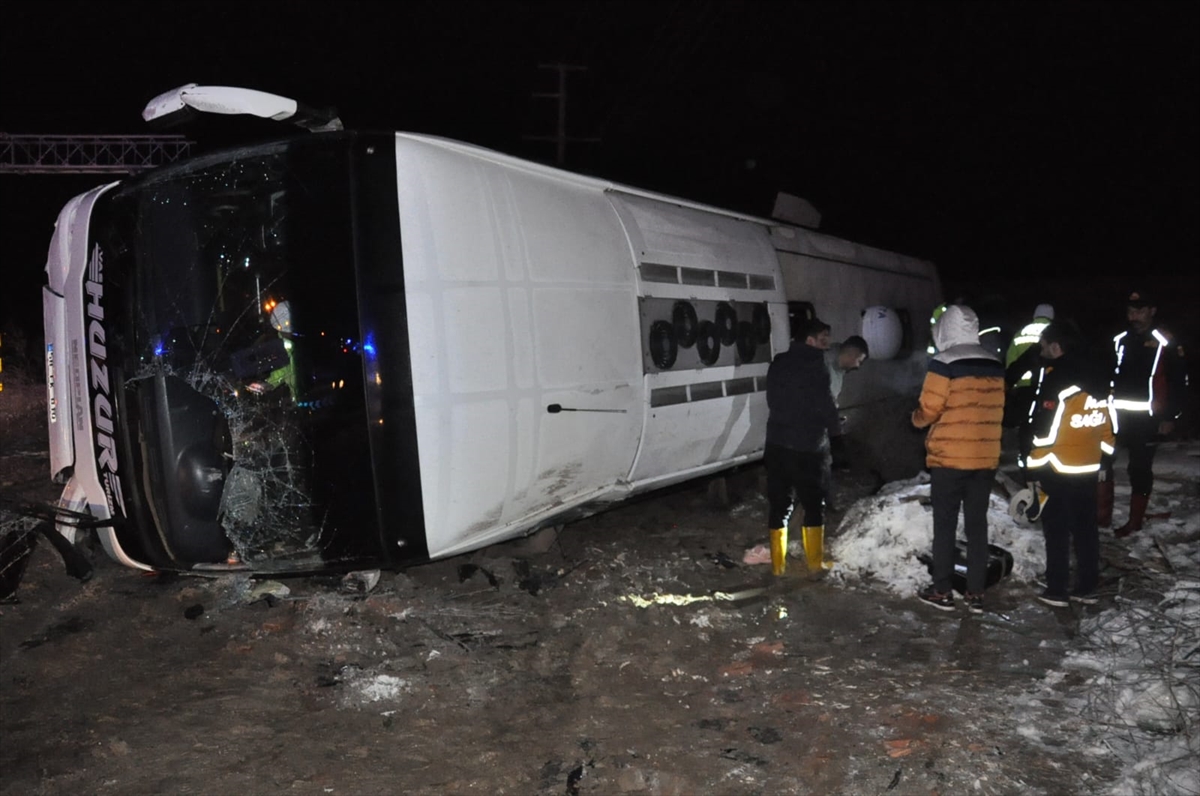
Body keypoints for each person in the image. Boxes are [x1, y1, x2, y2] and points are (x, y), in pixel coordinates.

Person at [911, 305, 1005, 613]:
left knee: (945, 525)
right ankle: (976, 594)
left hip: (950, 459)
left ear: (944, 330)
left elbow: (929, 409)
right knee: (977, 525)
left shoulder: (945, 362)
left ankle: (943, 591)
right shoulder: (994, 363)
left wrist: (915, 419)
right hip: (985, 459)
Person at [1025, 321, 1115, 607]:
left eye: (1043, 346)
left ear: (1056, 346)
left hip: (1057, 466)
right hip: (1087, 467)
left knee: (1057, 530)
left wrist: (1032, 465)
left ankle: (1057, 589)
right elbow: (1108, 428)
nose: (1041, 351)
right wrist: (1103, 461)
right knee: (1086, 530)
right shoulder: (1099, 378)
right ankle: (1087, 587)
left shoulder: (1058, 379)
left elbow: (1044, 432)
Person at [1103, 290, 1188, 537]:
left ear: (1152, 311)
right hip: (1116, 417)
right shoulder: (1120, 339)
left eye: (1140, 310)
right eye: (1131, 311)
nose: (1134, 316)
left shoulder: (1166, 342)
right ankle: (1101, 515)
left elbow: (1178, 381)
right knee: (1102, 463)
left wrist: (1170, 417)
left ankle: (1135, 520)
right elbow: (1108, 374)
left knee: (1139, 469)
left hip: (1148, 420)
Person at [764, 318, 841, 575]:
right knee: (812, 504)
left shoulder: (778, 362)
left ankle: (778, 567)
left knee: (779, 504)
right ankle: (814, 564)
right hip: (807, 446)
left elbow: (772, 399)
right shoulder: (816, 364)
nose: (826, 345)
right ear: (809, 340)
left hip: (776, 443)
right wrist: (837, 435)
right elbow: (826, 404)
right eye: (823, 340)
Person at [1004, 304, 1056, 479]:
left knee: (1026, 426)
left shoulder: (1021, 333)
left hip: (1023, 389)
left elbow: (1011, 360)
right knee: (1047, 425)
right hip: (1047, 388)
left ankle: (1026, 465)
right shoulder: (1055, 332)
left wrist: (1011, 384)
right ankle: (1043, 464)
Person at [821, 335, 870, 506]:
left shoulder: (839, 371)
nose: (858, 366)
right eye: (859, 360)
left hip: (822, 426)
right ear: (852, 353)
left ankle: (823, 503)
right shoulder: (823, 364)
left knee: (825, 463)